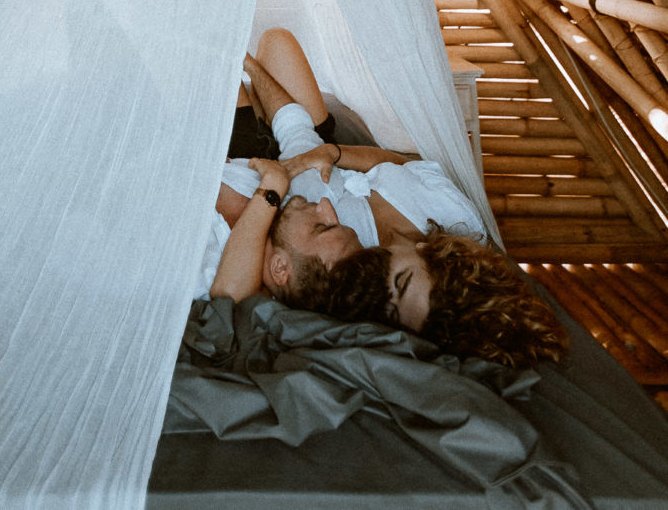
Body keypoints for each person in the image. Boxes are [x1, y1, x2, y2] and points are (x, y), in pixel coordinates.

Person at [199, 28, 567, 371]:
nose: (385, 290)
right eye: (403, 282)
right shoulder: (453, 216)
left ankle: (259, 113)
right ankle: (269, 114)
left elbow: (235, 289)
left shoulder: (349, 274)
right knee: (277, 41)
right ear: (433, 254)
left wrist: (275, 179)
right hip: (315, 149)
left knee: (213, 68)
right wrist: (335, 153)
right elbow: (399, 163)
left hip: (263, 164)